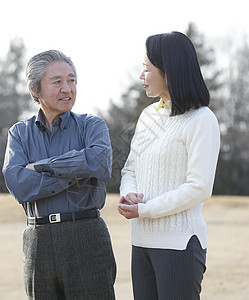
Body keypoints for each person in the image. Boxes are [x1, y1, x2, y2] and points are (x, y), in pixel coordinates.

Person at [2, 50, 116, 300]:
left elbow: (99, 164)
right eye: (57, 82)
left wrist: (40, 166)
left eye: (72, 80)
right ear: (35, 89)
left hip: (86, 235)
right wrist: (74, 173)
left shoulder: (91, 125)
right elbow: (17, 183)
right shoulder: (19, 133)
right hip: (37, 242)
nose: (67, 88)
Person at [118, 32, 220, 300]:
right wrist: (129, 194)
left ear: (168, 71)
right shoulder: (148, 116)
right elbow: (130, 168)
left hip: (179, 246)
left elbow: (199, 188)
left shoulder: (201, 120)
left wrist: (145, 209)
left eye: (146, 68)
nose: (141, 75)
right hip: (140, 243)